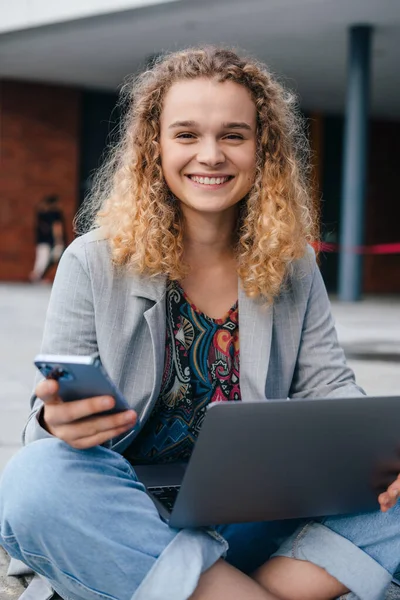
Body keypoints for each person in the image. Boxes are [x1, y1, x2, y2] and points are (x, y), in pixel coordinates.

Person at [0, 46, 399, 600]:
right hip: (133, 516)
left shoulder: (293, 264)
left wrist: (381, 453)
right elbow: (42, 431)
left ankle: (204, 591)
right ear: (154, 148)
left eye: (233, 135)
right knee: (35, 481)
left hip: (256, 515)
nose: (210, 155)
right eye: (186, 135)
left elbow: (329, 388)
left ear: (263, 150)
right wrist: (56, 422)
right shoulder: (90, 261)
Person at [29, 194, 66, 283]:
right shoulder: (54, 214)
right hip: (48, 241)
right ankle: (36, 275)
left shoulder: (42, 213)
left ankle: (38, 275)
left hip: (45, 240)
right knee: (44, 258)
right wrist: (59, 240)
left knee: (45, 258)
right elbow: (57, 227)